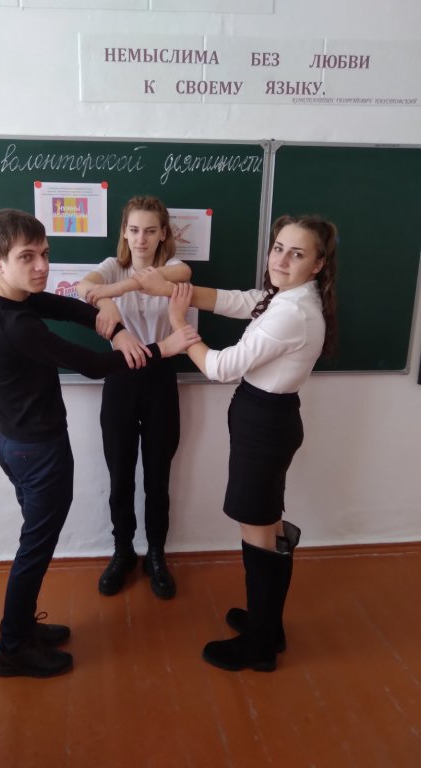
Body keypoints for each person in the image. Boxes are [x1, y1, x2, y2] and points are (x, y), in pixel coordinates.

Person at [0, 208, 199, 679]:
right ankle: (12, 648)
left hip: (17, 444)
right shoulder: (16, 325)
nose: (41, 267)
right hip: (38, 452)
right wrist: (163, 349)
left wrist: (113, 322)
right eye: (27, 257)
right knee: (35, 550)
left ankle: (23, 629)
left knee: (36, 543)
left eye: (45, 254)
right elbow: (91, 365)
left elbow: (64, 306)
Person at [137, 214, 338, 671]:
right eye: (278, 248)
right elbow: (237, 300)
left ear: (318, 264)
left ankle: (259, 647)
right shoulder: (287, 296)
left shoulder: (291, 312)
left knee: (258, 531)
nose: (280, 260)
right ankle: (268, 626)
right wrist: (172, 290)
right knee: (267, 526)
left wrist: (179, 324)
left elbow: (221, 367)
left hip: (264, 428)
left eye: (296, 254)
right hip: (266, 422)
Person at [76, 196, 192, 599]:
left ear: (163, 234)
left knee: (158, 478)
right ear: (124, 232)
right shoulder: (113, 265)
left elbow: (179, 274)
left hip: (161, 377)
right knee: (120, 476)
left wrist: (110, 293)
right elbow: (84, 287)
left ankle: (156, 554)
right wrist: (107, 303)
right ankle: (123, 551)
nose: (141, 239)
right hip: (120, 378)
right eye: (134, 230)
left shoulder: (174, 269)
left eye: (150, 230)